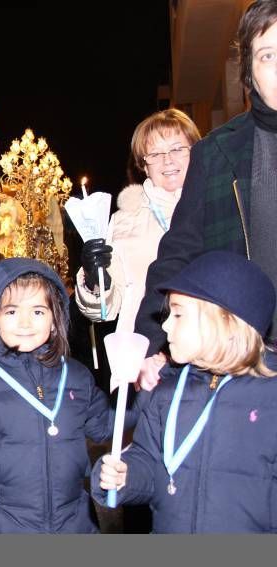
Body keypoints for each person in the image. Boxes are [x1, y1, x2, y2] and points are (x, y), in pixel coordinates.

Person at [0, 258, 137, 533]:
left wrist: (143, 397)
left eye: (39, 312)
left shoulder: (77, 376)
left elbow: (105, 425)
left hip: (74, 520)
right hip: (3, 524)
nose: (26, 323)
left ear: (55, 319)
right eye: (12, 312)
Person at [135, 1, 277, 386]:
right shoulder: (216, 155)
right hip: (247, 364)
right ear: (250, 72)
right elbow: (177, 255)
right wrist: (150, 346)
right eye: (268, 55)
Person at [93, 251, 277, 532]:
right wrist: (126, 476)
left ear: (227, 321)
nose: (165, 324)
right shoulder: (167, 391)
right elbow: (149, 462)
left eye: (178, 313)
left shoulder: (269, 397)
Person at [76, 109, 200, 334]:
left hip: (212, 344)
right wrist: (96, 280)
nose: (167, 160)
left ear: (196, 152)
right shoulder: (125, 219)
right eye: (155, 154)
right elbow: (106, 311)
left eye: (177, 148)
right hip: (145, 349)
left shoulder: (218, 205)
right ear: (144, 165)